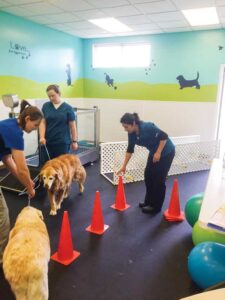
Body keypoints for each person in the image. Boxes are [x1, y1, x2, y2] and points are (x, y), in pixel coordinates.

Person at [0, 100, 43, 263]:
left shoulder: (9, 125)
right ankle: (3, 256)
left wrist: (27, 182)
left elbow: (8, 160)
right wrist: (30, 188)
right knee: (2, 214)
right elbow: (23, 168)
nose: (35, 129)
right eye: (36, 125)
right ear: (27, 119)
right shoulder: (14, 133)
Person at [117, 113, 175, 214]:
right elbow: (130, 150)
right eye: (123, 127)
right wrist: (124, 166)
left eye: (126, 127)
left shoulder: (147, 127)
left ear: (134, 123)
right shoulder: (131, 134)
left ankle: (156, 207)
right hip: (154, 153)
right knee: (148, 176)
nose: (125, 129)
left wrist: (158, 152)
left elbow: (164, 136)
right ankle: (148, 201)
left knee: (159, 180)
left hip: (166, 152)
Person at [39, 84, 78, 162]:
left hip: (62, 143)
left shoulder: (68, 108)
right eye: (49, 96)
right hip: (48, 142)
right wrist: (42, 137)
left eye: (53, 95)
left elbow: (73, 126)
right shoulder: (45, 106)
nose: (51, 98)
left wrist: (74, 141)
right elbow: (43, 122)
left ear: (59, 94)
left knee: (62, 166)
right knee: (47, 165)